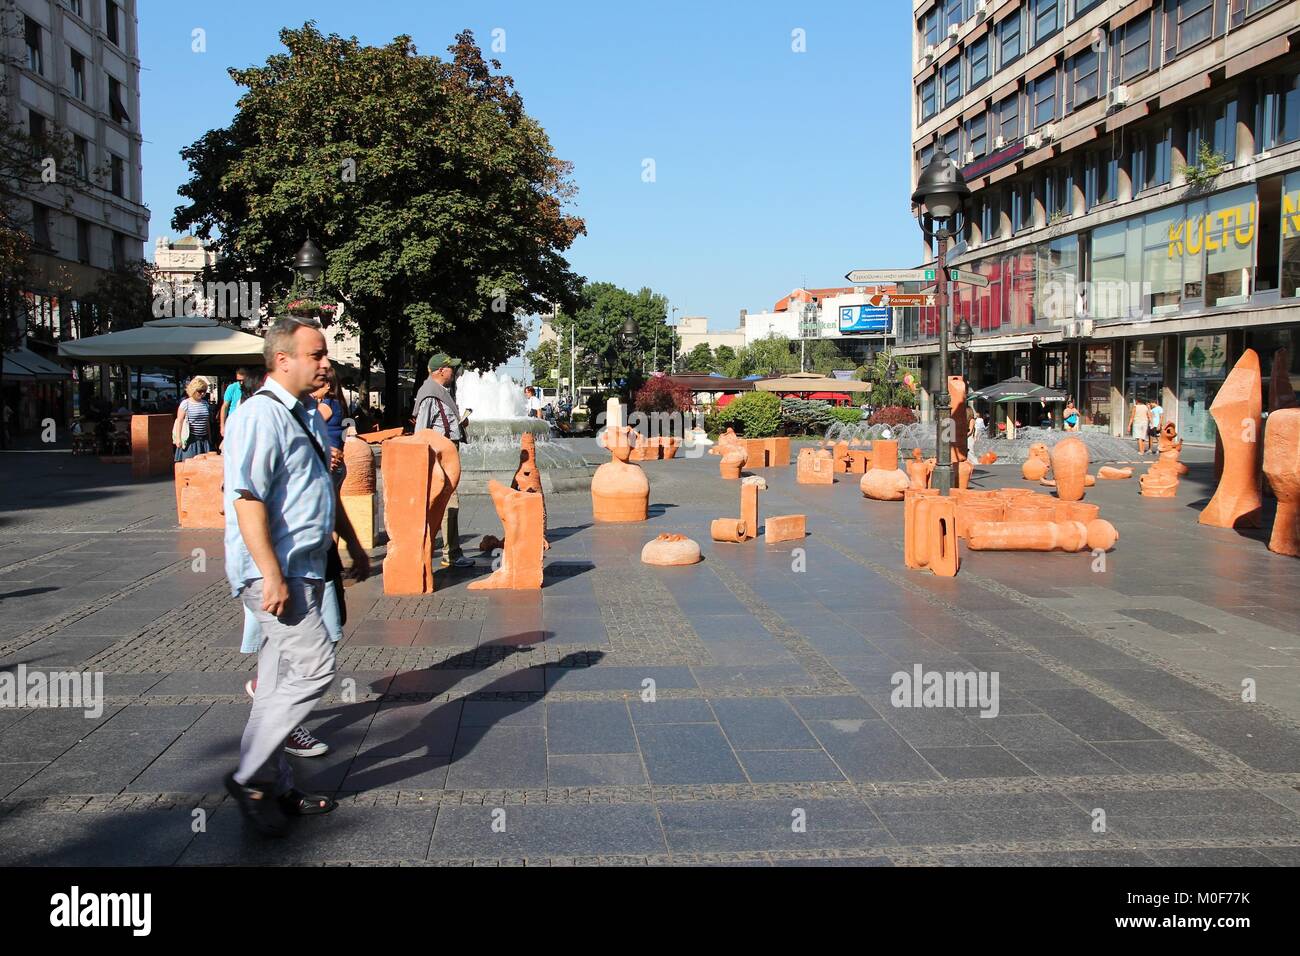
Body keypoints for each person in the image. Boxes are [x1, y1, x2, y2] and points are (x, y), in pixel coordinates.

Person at [222, 316, 370, 837]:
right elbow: (247, 499)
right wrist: (270, 575)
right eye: (316, 354)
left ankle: (273, 786)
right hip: (277, 572)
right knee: (315, 667)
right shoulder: (260, 416)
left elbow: (318, 490)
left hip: (303, 567)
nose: (325, 363)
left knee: (273, 688)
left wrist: (352, 543)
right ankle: (249, 776)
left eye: (325, 354)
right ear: (282, 360)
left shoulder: (304, 412)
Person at [413, 353, 473, 568]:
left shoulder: (439, 391)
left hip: (446, 451)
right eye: (450, 368)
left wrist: (458, 424)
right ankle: (451, 553)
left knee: (449, 502)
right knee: (449, 502)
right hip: (440, 454)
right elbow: (421, 432)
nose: (454, 372)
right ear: (440, 371)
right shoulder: (430, 393)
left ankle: (449, 551)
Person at [173, 376, 214, 460]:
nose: (202, 393)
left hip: (204, 439)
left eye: (204, 391)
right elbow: (179, 421)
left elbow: (207, 422)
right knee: (189, 463)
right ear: (193, 390)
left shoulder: (205, 403)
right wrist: (178, 438)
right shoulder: (185, 403)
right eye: (200, 391)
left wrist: (209, 437)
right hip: (190, 440)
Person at [219, 367, 250, 436]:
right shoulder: (232, 387)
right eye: (239, 380)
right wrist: (222, 426)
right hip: (233, 423)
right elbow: (225, 406)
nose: (241, 383)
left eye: (243, 380)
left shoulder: (251, 388)